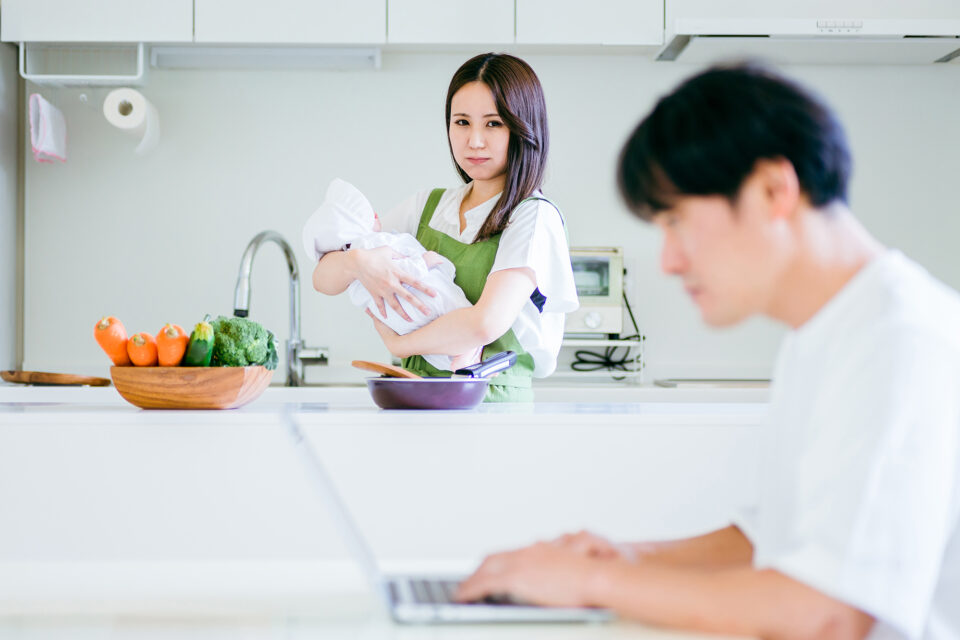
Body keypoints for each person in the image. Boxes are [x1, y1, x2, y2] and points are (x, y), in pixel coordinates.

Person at [455, 63, 960, 639]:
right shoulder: (827, 332)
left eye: (677, 222)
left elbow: (827, 615)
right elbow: (767, 539)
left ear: (773, 190)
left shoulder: (898, 340)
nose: (668, 260)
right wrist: (620, 558)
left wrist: (587, 584)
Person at [311, 53, 578, 402]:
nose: (475, 140)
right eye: (462, 122)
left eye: (494, 123)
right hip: (414, 396)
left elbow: (485, 324)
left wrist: (398, 343)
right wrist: (358, 262)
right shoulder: (428, 206)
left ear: (524, 128)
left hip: (490, 405)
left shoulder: (532, 216)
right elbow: (323, 278)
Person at [302, 177, 480, 371]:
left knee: (433, 345)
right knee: (454, 306)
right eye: (372, 216)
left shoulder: (354, 275)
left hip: (403, 325)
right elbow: (399, 268)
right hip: (421, 301)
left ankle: (458, 357)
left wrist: (396, 344)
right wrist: (422, 262)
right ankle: (465, 353)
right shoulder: (372, 243)